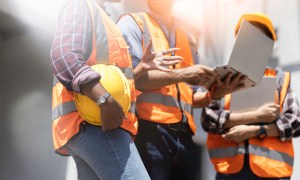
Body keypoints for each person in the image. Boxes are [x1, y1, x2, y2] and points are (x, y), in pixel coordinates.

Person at [50, 0, 183, 179]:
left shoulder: (101, 15)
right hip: (96, 123)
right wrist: (103, 99)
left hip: (96, 122)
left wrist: (140, 68)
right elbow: (64, 55)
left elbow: (112, 77)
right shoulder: (80, 5)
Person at [117, 0, 245, 179]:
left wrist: (211, 96)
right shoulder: (132, 23)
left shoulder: (188, 39)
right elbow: (131, 80)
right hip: (149, 133)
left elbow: (189, 95)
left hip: (185, 138)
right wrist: (183, 74)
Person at [202, 13, 300, 180]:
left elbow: (295, 123)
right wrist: (258, 116)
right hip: (230, 171)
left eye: (260, 36)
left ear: (269, 44)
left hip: (272, 173)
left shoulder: (281, 80)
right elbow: (209, 119)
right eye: (248, 34)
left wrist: (254, 131)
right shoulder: (223, 78)